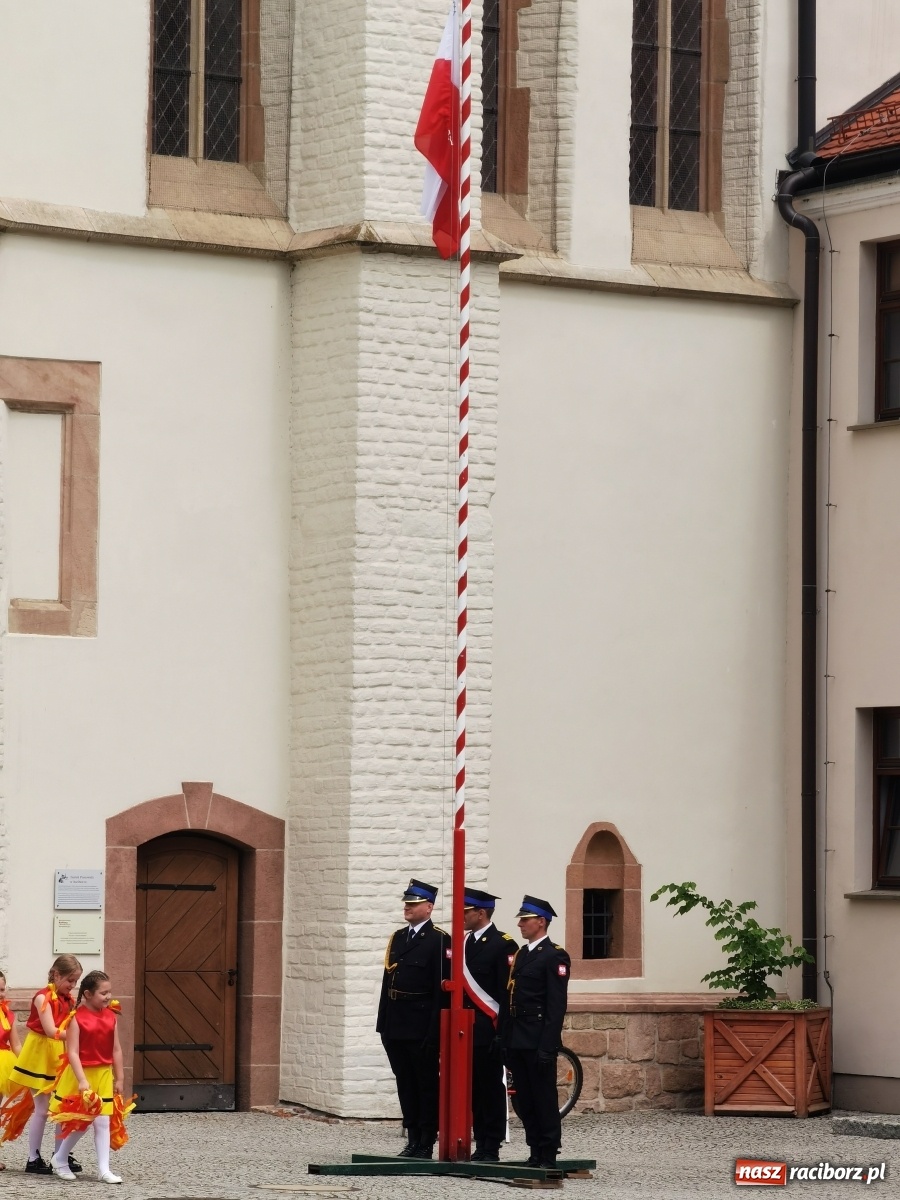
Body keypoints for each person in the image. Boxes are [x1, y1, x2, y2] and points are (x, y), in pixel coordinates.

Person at [377, 878, 450, 1159]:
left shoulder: (439, 940)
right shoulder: (398, 937)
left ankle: (425, 1141)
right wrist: (382, 1025)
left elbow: (440, 991)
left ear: (429, 907)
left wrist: (434, 1032)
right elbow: (387, 984)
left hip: (421, 1025)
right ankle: (411, 1137)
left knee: (425, 1084)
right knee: (405, 1083)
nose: (407, 907)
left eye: (414, 903)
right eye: (407, 902)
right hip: (396, 1023)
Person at [500, 895, 570, 1169]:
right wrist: (503, 1036)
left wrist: (548, 1045)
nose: (520, 924)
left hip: (538, 1037)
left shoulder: (554, 955)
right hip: (517, 1036)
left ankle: (549, 1152)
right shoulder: (522, 954)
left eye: (525, 919)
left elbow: (556, 1006)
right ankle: (534, 1149)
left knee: (543, 1098)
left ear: (541, 922)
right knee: (524, 1100)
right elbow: (510, 998)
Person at [1, 954, 82, 1175]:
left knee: (61, 1106)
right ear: (56, 974)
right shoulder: (42, 997)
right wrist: (78, 1035)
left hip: (59, 1054)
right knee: (43, 1109)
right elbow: (50, 1030)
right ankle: (33, 1157)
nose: (72, 986)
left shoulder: (67, 998)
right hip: (40, 1054)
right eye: (70, 980)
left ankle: (60, 1154)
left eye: (76, 982)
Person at [48, 970, 129, 1184]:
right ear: (88, 994)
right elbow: (72, 1052)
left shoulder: (111, 1016)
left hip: (103, 1073)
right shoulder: (77, 1019)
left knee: (102, 1121)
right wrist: (82, 1080)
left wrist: (119, 1077)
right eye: (103, 993)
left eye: (109, 991)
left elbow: (116, 1049)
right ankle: (60, 1158)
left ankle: (104, 1169)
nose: (108, 996)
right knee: (81, 1122)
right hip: (81, 1074)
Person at [462, 888, 517, 1163]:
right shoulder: (463, 944)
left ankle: (490, 1145)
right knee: (473, 1088)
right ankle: (479, 1139)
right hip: (465, 1030)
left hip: (489, 1028)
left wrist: (503, 1033)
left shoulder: (503, 945)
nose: (461, 917)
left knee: (490, 1088)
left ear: (480, 913)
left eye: (465, 911)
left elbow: (507, 995)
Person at [0, 970, 23, 1172]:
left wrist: (25, 1066)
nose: (1, 994)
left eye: (2, 989)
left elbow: (15, 1044)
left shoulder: (8, 1014)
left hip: (3, 1063)